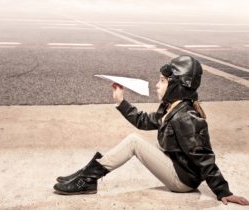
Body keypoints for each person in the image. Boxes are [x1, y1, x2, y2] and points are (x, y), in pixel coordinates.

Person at [53, 55, 249, 206]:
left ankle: (87, 179)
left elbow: (203, 157)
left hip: (183, 181)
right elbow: (144, 121)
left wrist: (223, 191)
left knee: (134, 142)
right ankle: (85, 175)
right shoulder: (172, 107)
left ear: (177, 86)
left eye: (162, 81)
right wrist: (121, 102)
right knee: (140, 140)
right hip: (179, 165)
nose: (157, 85)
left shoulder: (186, 118)